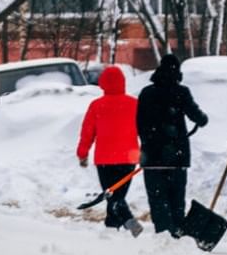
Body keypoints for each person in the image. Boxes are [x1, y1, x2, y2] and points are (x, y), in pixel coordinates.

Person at [137, 54, 209, 236]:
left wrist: (150, 141)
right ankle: (177, 230)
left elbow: (139, 123)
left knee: (157, 198)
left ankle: (162, 231)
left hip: (152, 157)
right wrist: (202, 119)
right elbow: (198, 117)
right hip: (177, 156)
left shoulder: (147, 93)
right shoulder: (181, 92)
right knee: (177, 198)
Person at [77, 65, 143, 237]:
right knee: (116, 196)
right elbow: (145, 130)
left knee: (114, 196)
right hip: (129, 159)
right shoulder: (134, 104)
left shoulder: (97, 105)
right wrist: (146, 151)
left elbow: (87, 132)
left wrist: (82, 153)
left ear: (102, 83)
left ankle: (130, 225)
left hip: (104, 160)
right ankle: (112, 227)